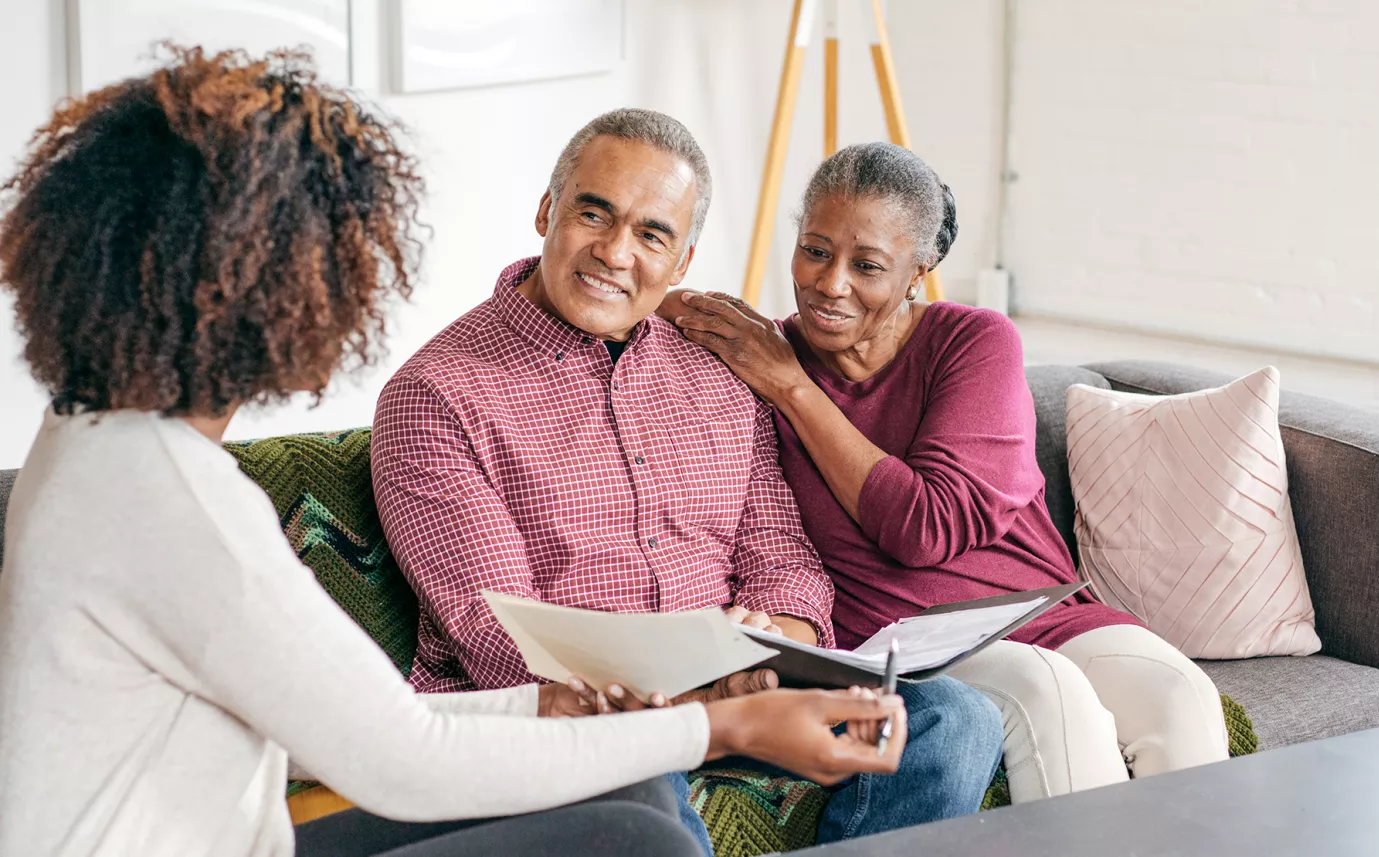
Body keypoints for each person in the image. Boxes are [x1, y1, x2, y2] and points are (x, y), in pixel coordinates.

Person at [0, 49, 914, 857]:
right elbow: (403, 760)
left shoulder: (93, 441)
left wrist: (543, 710)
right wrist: (721, 727)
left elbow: (365, 725)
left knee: (628, 805)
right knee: (637, 839)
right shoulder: (176, 504)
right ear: (275, 292)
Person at [371, 109, 1003, 850]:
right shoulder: (437, 394)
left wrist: (776, 647)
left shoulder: (718, 370)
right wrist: (706, 698)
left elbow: (783, 558)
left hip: (738, 686)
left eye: (651, 234)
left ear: (683, 261)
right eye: (593, 212)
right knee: (635, 780)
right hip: (577, 717)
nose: (614, 252)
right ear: (547, 211)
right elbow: (500, 637)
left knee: (952, 719)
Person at [659, 141, 1231, 805]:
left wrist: (793, 387)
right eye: (814, 250)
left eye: (866, 264)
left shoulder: (973, 343)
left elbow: (924, 526)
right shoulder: (763, 355)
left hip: (1041, 611)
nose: (829, 282)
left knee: (1179, 694)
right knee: (1050, 690)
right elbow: (647, 307)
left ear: (918, 270)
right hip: (903, 643)